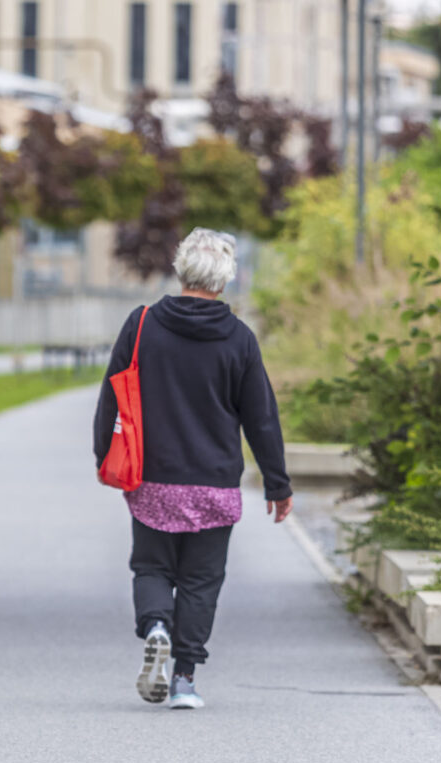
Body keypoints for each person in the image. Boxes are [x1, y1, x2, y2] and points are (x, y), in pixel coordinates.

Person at [93, 227, 292, 710]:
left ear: (181, 269)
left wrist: (104, 456)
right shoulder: (239, 340)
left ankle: (156, 626)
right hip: (214, 484)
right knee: (202, 581)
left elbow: (112, 396)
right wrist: (277, 484)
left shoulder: (142, 325)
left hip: (152, 479)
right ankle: (183, 679)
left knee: (151, 566)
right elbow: (261, 418)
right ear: (225, 279)